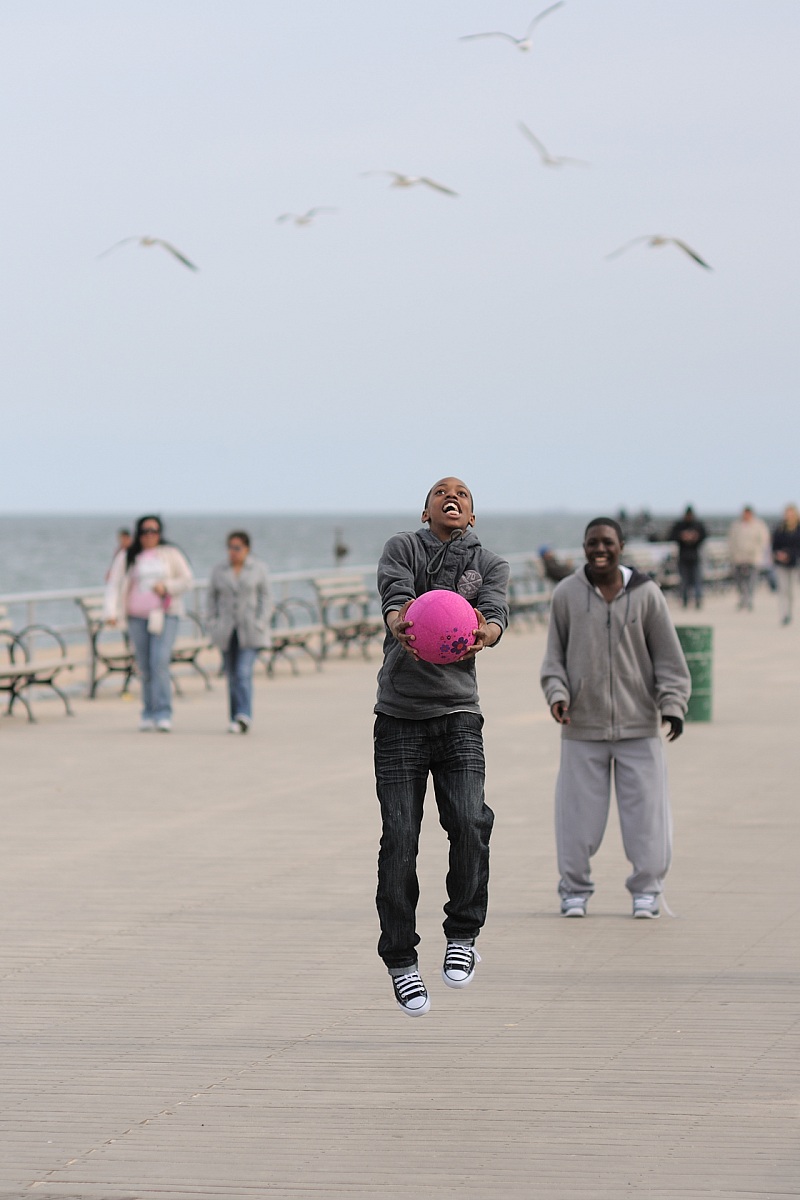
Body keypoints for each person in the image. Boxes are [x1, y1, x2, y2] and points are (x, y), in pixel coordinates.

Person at [373, 477, 509, 1016]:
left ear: (471, 515)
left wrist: (486, 633)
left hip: (459, 716)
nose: (452, 496)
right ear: (426, 507)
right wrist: (398, 623)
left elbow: (495, 615)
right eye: (440, 491)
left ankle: (463, 934)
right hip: (400, 716)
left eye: (463, 494)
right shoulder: (402, 548)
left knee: (471, 821)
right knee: (401, 837)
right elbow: (395, 598)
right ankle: (402, 960)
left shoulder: (491, 563)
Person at [540, 517, 690, 919]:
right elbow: (553, 660)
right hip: (581, 727)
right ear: (584, 546)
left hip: (639, 724)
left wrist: (673, 705)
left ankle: (647, 889)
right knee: (576, 817)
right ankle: (574, 889)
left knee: (647, 816)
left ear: (621, 545)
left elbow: (670, 661)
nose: (599, 549)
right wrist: (557, 695)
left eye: (607, 542)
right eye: (592, 542)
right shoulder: (567, 594)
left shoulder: (647, 595)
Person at [104, 515, 193, 732]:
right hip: (136, 617)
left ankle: (163, 712)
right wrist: (111, 611)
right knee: (144, 666)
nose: (149, 536)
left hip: (164, 615)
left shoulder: (171, 554)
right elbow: (114, 584)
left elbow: (187, 579)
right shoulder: (128, 556)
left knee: (159, 661)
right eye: (145, 531)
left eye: (153, 531)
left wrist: (167, 586)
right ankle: (148, 711)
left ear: (160, 533)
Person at [206, 531, 271, 732]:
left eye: (237, 548)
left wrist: (261, 622)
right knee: (232, 675)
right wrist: (212, 623)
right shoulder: (219, 570)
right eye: (230, 548)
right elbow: (211, 599)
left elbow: (266, 598)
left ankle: (244, 714)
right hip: (226, 630)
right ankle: (235, 717)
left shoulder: (258, 569)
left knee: (243, 672)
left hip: (250, 630)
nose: (233, 552)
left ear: (246, 549)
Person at [728, 506, 771, 611]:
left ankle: (749, 599)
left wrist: (759, 552)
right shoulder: (736, 525)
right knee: (739, 580)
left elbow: (764, 540)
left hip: (753, 557)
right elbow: (731, 540)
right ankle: (742, 598)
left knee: (752, 580)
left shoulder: (759, 525)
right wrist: (732, 554)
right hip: (738, 557)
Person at [668, 506, 707, 609]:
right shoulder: (680, 525)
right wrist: (682, 536)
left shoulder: (698, 525)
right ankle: (685, 599)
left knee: (697, 579)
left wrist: (695, 537)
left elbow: (704, 535)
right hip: (683, 557)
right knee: (684, 580)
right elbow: (671, 536)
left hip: (695, 556)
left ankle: (698, 599)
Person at [771, 504, 800, 625]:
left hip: (794, 564)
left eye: (791, 513)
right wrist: (778, 554)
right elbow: (774, 545)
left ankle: (790, 613)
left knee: (791, 591)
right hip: (781, 563)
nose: (789, 516)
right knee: (782, 589)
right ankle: (784, 614)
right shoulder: (780, 528)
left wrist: (790, 554)